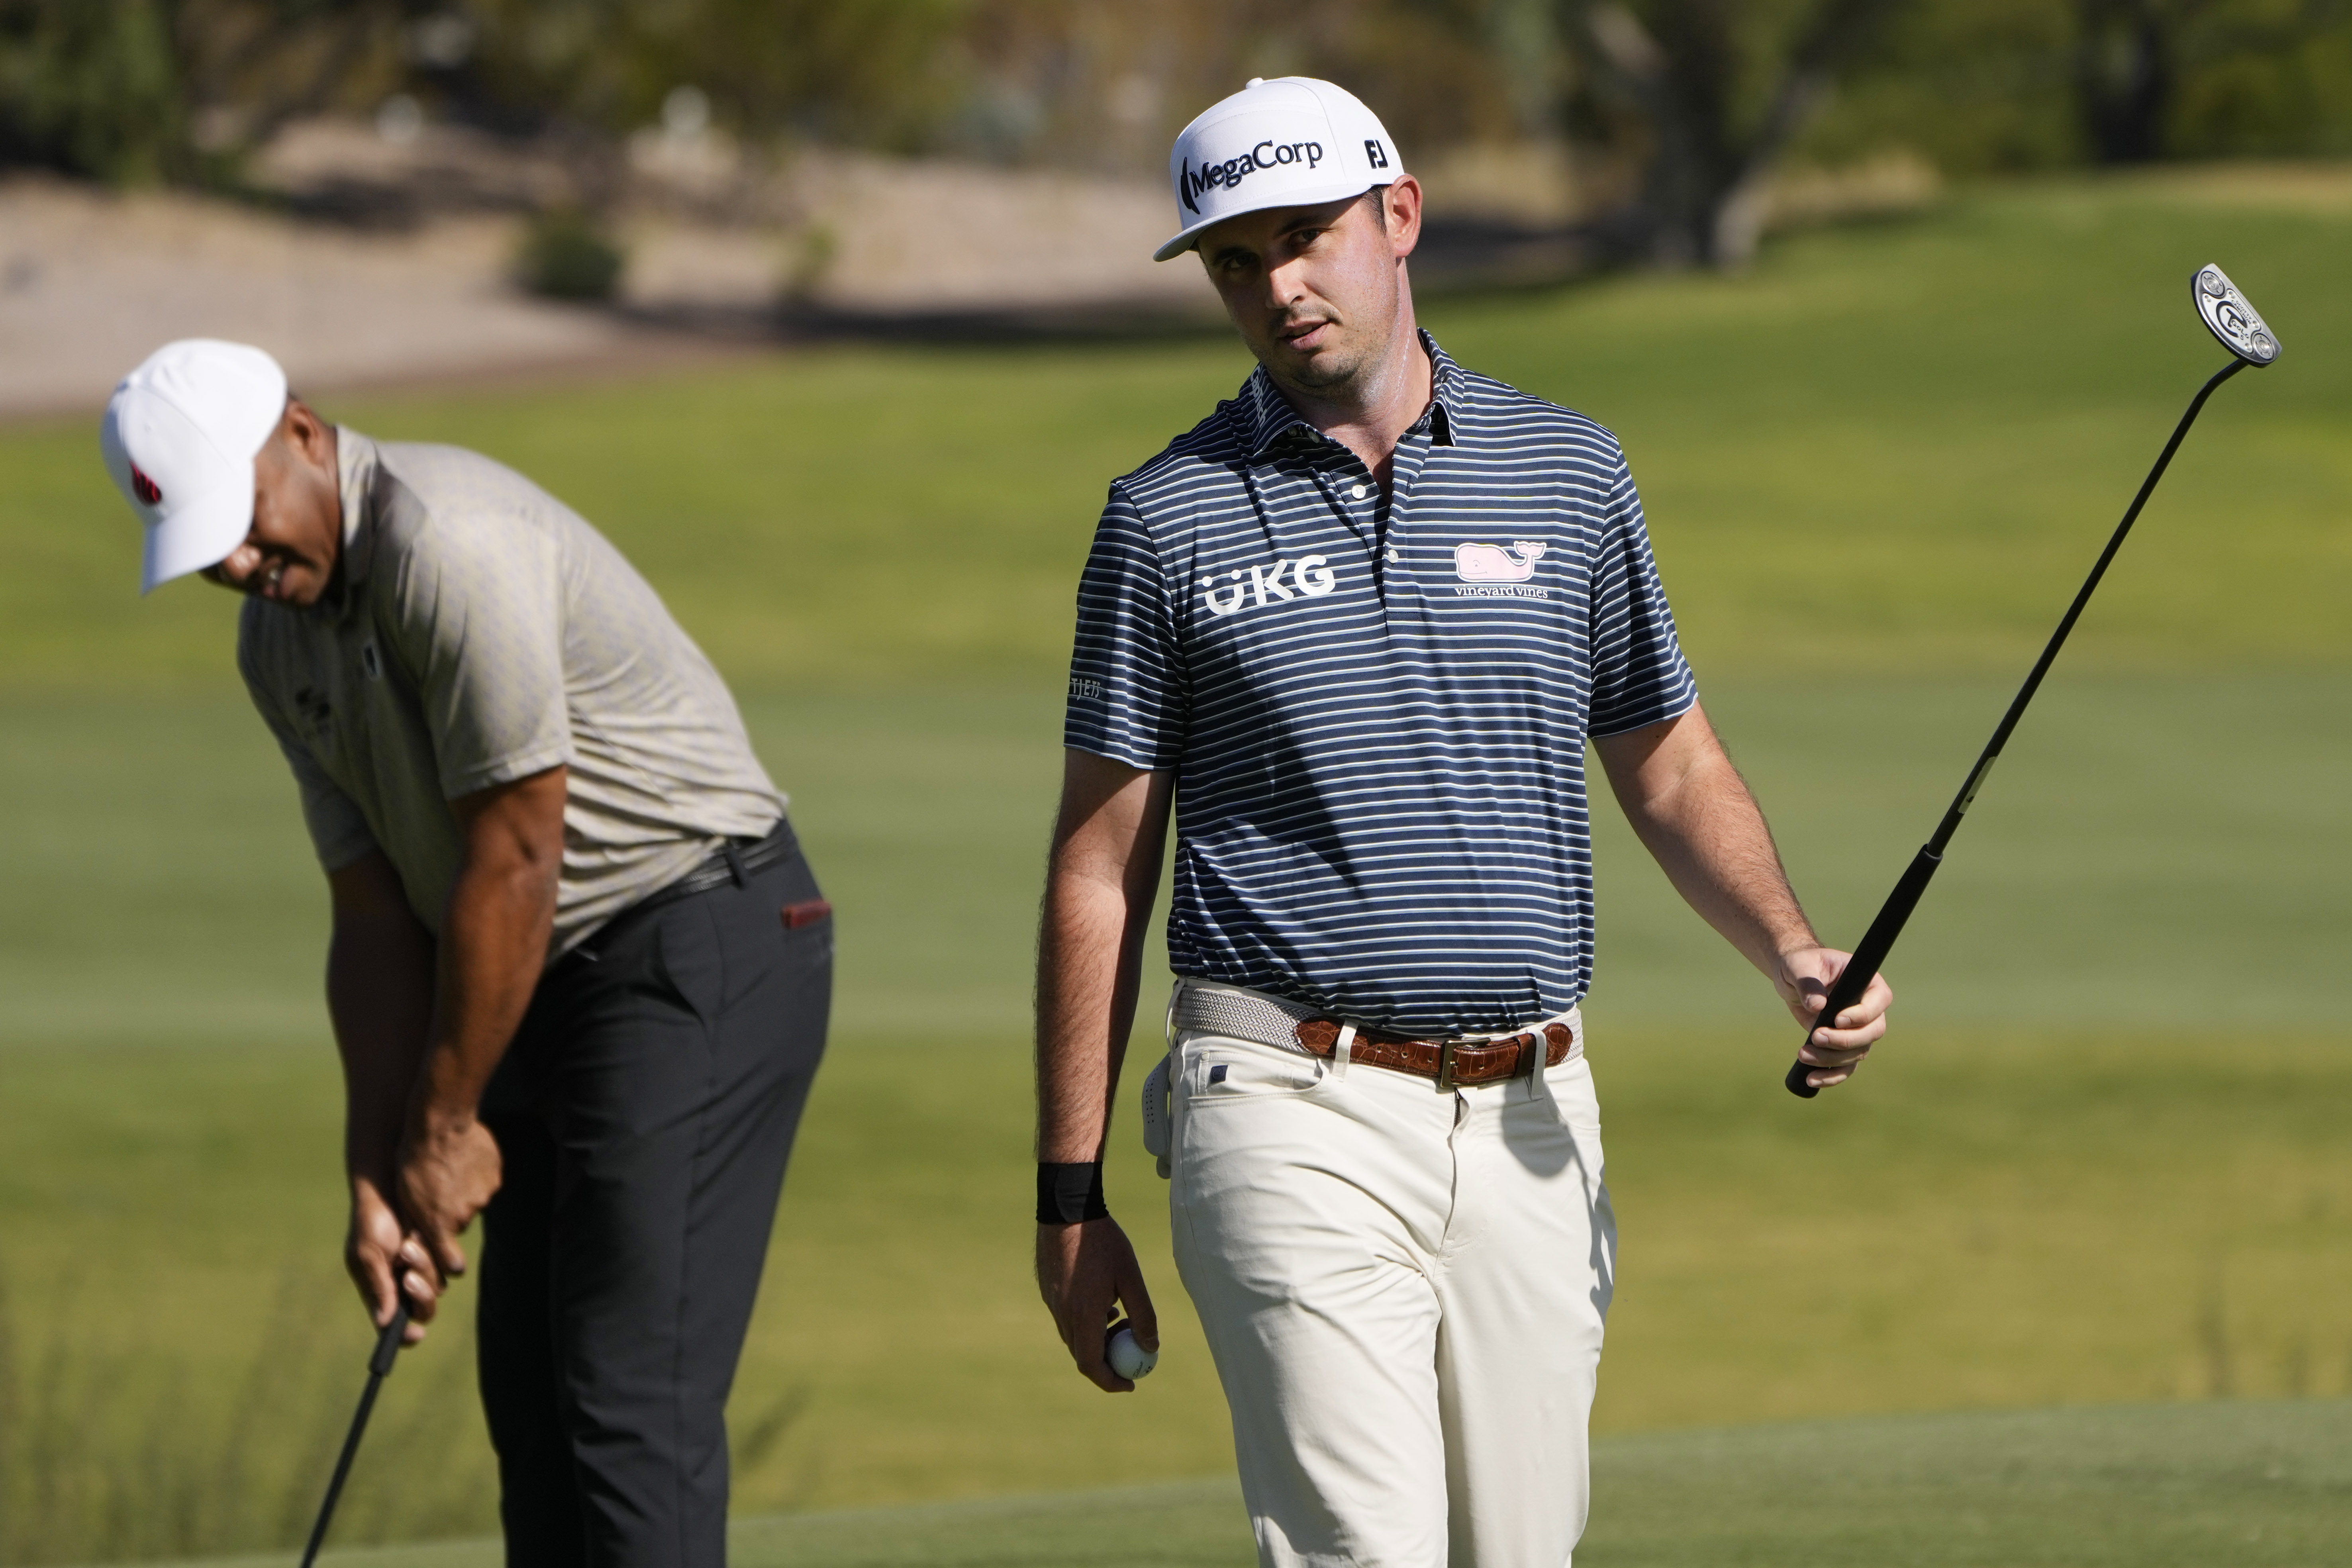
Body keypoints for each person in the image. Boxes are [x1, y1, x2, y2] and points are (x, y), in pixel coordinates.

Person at [1031, 78, 1892, 1567]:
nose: (1280, 286)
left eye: (1307, 236)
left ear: (1401, 216)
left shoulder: (1569, 470)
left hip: (1537, 1113)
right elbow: (1100, 869)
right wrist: (1069, 1193)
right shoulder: (1166, 516)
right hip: (1281, 1097)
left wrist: (1792, 948)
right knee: (1367, 1552)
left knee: (1523, 1553)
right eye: (1237, 262)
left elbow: (1669, 762)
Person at [100, 339, 832, 1568]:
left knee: (623, 1395)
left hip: (695, 938)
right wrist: (381, 1165)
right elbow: (376, 914)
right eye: (207, 553)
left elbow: (514, 856)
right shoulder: (274, 648)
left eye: (243, 524)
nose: (237, 564)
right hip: (530, 974)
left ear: (306, 434)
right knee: (534, 1412)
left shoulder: (450, 538)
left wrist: (448, 1127)